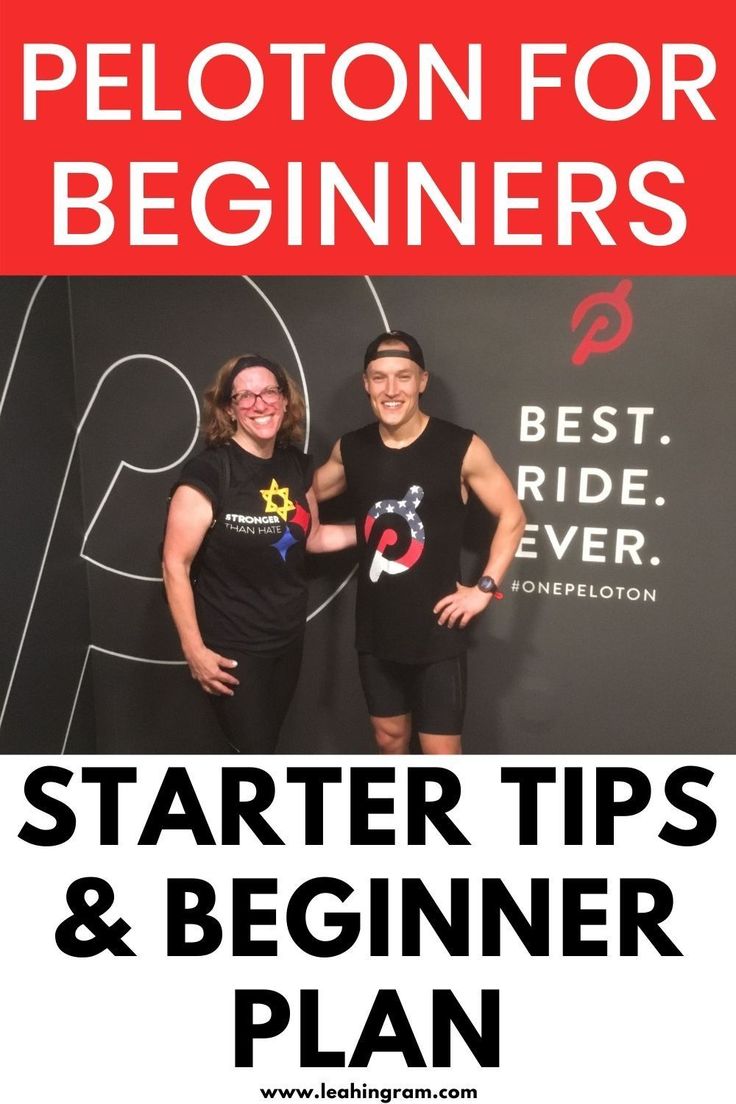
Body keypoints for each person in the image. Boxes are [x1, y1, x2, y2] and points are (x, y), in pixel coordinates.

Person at [314, 330, 526, 755]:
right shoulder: (350, 449)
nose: (391, 390)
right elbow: (300, 498)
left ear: (422, 381)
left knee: (441, 756)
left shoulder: (461, 447)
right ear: (366, 384)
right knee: (388, 740)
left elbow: (513, 516)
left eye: (403, 377)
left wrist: (484, 589)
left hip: (438, 632)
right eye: (379, 378)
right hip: (376, 631)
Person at [162, 353, 355, 752]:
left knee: (265, 748)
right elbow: (174, 564)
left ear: (286, 401)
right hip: (232, 649)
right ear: (230, 409)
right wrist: (193, 649)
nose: (259, 403)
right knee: (257, 753)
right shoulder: (209, 473)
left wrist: (375, 530)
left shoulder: (295, 467)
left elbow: (313, 537)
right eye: (245, 396)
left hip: (286, 641)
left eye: (270, 391)